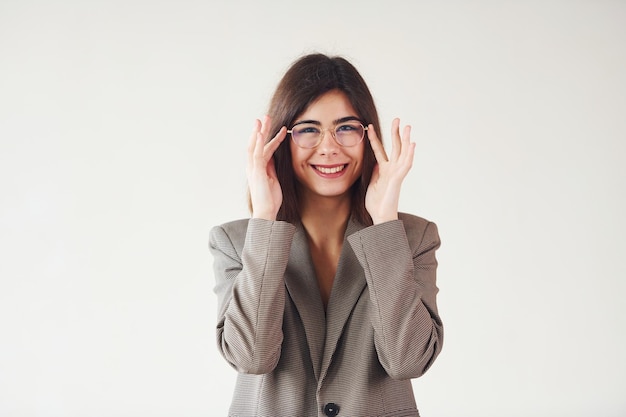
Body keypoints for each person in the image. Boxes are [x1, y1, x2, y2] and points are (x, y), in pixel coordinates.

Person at [209, 53, 443, 417]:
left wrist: (384, 223)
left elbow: (407, 361)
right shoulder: (237, 241)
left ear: (369, 136)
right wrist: (266, 219)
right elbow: (251, 357)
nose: (329, 146)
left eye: (346, 127)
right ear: (282, 140)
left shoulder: (412, 237)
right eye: (309, 129)